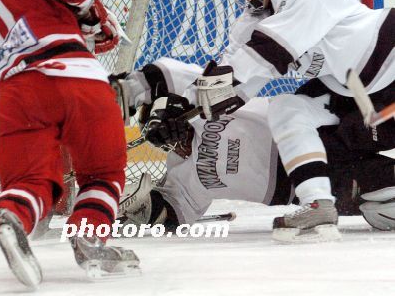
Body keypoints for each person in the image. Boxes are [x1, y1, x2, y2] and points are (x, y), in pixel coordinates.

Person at [0, 0, 138, 287]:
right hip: (79, 81)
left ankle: (13, 215)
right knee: (103, 173)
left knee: (28, 182)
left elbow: (27, 30)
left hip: (18, 96)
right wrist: (88, 10)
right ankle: (89, 236)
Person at [192, 0, 394, 242]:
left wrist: (229, 78)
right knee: (288, 109)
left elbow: (271, 49)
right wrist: (184, 109)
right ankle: (317, 204)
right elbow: (235, 84)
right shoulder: (255, 23)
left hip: (389, 50)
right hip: (360, 91)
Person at [114, 58, 395, 242]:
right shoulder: (182, 178)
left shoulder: (202, 102)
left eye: (172, 128)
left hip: (314, 133)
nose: (175, 142)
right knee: (384, 204)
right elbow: (171, 214)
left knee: (380, 122)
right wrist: (141, 209)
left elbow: (160, 72)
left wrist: (137, 94)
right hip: (304, 186)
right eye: (165, 141)